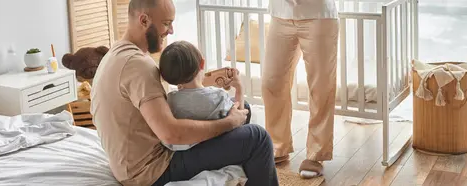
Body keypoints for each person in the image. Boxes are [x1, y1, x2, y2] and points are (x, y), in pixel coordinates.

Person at [90, 0, 278, 185]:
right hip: (151, 171)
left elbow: (170, 92)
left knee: (242, 108)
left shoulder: (117, 53)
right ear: (144, 20)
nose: (170, 30)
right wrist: (229, 123)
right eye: (166, 23)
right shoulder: (137, 65)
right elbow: (171, 135)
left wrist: (205, 80)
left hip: (131, 165)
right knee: (257, 138)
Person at [262, 0, 339, 179]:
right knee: (272, 81)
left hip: (318, 15)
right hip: (280, 14)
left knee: (321, 86)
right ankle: (277, 145)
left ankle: (316, 154)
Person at [158, 40, 252, 151]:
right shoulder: (219, 96)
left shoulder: (169, 100)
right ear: (202, 64)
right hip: (217, 150)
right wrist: (239, 89)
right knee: (246, 108)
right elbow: (239, 120)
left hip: (183, 154)